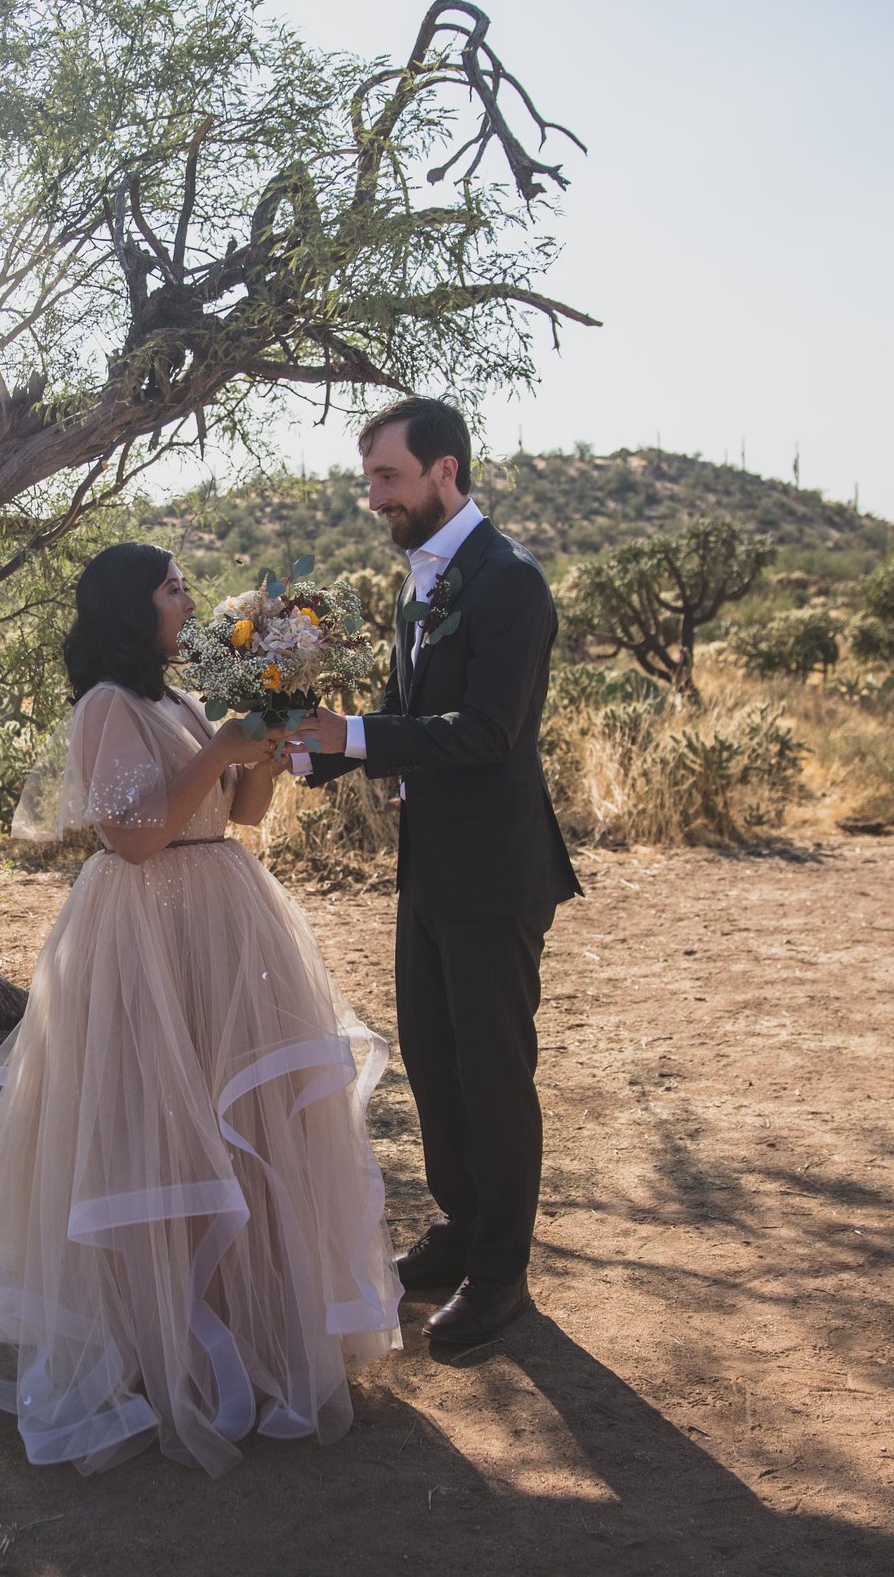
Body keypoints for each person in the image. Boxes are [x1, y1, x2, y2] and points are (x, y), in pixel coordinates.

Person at [0, 542, 403, 1476]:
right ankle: (148, 1341)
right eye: (172, 589)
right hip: (145, 930)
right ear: (132, 610)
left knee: (234, 1124)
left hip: (223, 920)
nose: (188, 601)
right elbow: (132, 838)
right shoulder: (106, 707)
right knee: (153, 1119)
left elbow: (240, 813)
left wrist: (264, 741)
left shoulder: (181, 701)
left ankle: (238, 1332)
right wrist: (221, 743)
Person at [287, 396, 582, 1350]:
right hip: (430, 870)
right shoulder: (425, 582)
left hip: (496, 872)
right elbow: (395, 711)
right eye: (370, 477)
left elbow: (490, 732)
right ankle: (461, 1229)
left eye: (388, 477)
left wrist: (361, 734)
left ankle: (503, 1276)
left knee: (496, 1072)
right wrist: (294, 749)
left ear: (445, 471)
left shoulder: (511, 583)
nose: (374, 497)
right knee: (436, 1060)